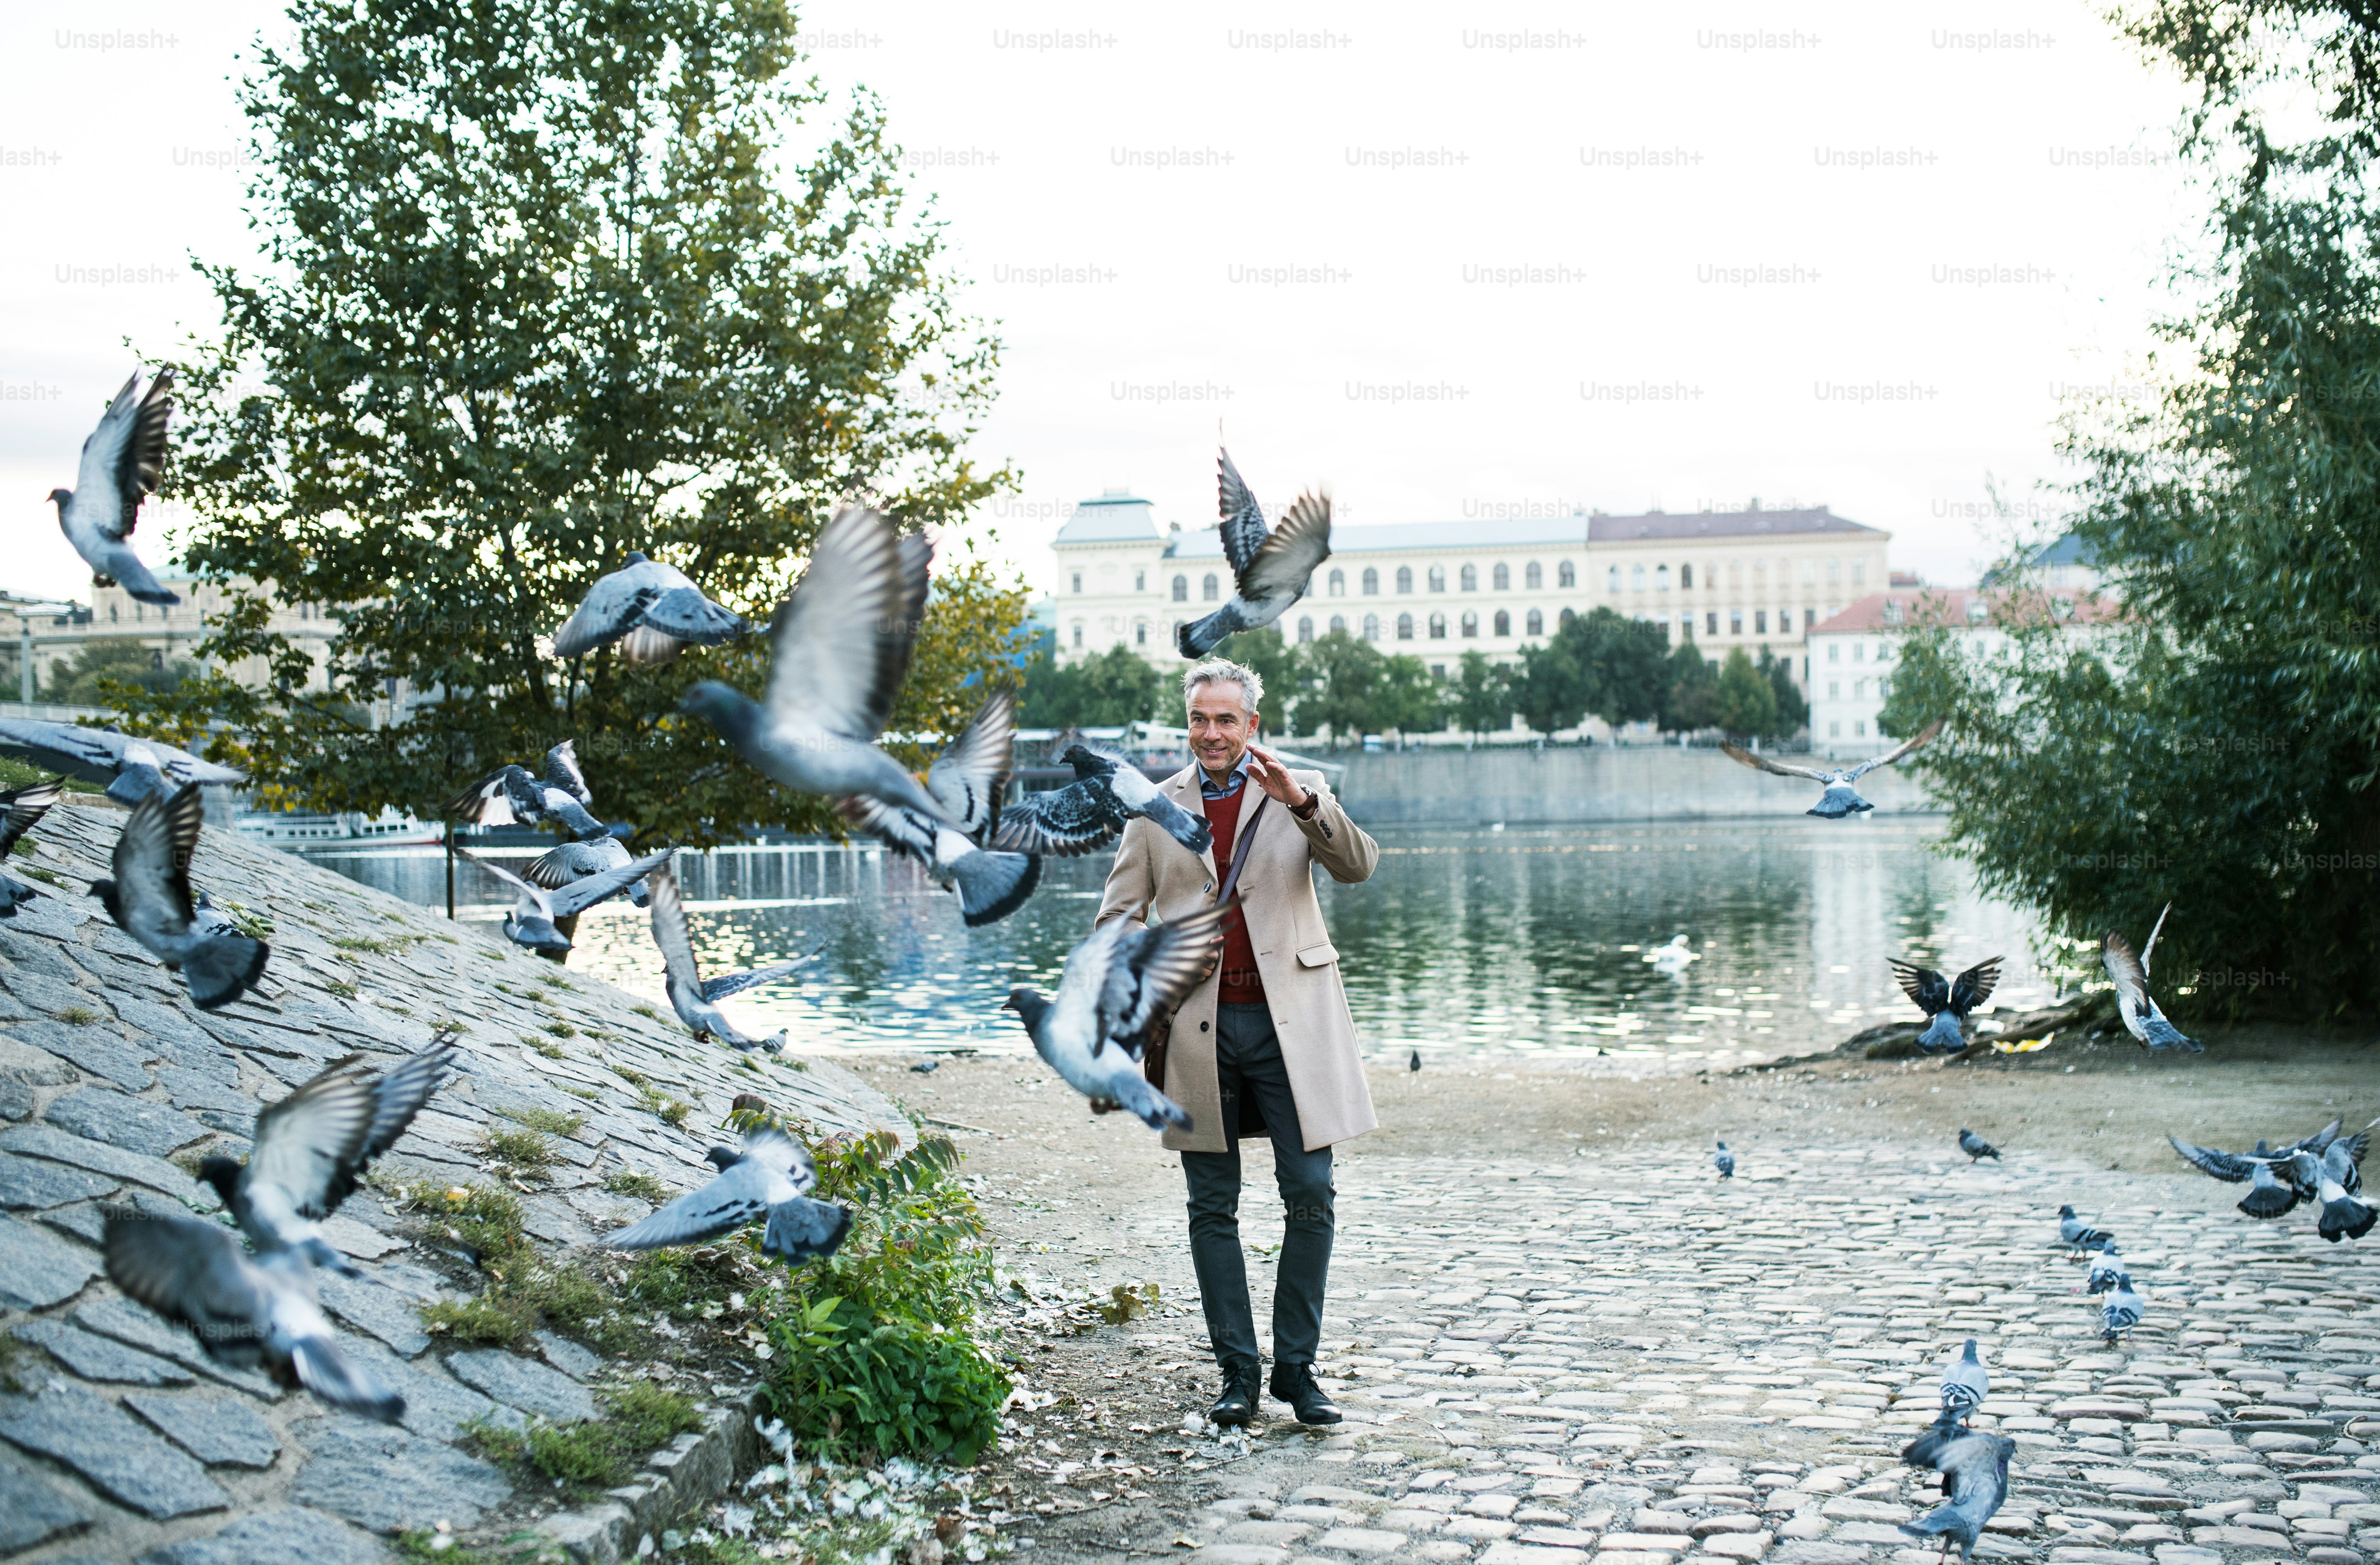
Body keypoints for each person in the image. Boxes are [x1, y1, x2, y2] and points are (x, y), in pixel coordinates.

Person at [1095, 658, 1379, 1426]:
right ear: (1186, 724)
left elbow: (1357, 866)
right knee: (1211, 1206)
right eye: (1199, 720)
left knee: (1312, 1192)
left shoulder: (1299, 786)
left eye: (1226, 720)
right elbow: (1119, 913)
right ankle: (1238, 1374)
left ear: (1253, 723)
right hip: (1198, 1030)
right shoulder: (1154, 808)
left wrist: (1304, 804)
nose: (1211, 734)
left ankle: (1297, 1368)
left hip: (1296, 1025)